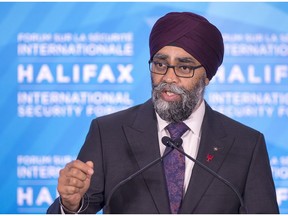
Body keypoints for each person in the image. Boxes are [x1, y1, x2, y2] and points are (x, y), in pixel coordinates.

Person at [47, 12, 279, 214]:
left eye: (184, 67)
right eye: (160, 64)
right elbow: (79, 205)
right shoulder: (108, 132)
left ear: (207, 76)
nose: (168, 77)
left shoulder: (246, 144)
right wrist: (70, 205)